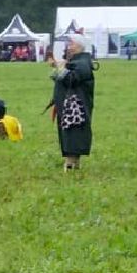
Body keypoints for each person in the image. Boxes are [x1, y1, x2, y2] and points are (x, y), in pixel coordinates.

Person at [51, 37, 96, 172]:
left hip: (75, 108)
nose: (68, 47)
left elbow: (72, 79)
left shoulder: (82, 63)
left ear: (79, 47)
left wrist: (61, 69)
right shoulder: (77, 61)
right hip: (69, 106)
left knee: (73, 133)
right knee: (70, 133)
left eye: (71, 44)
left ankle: (70, 165)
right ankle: (73, 164)